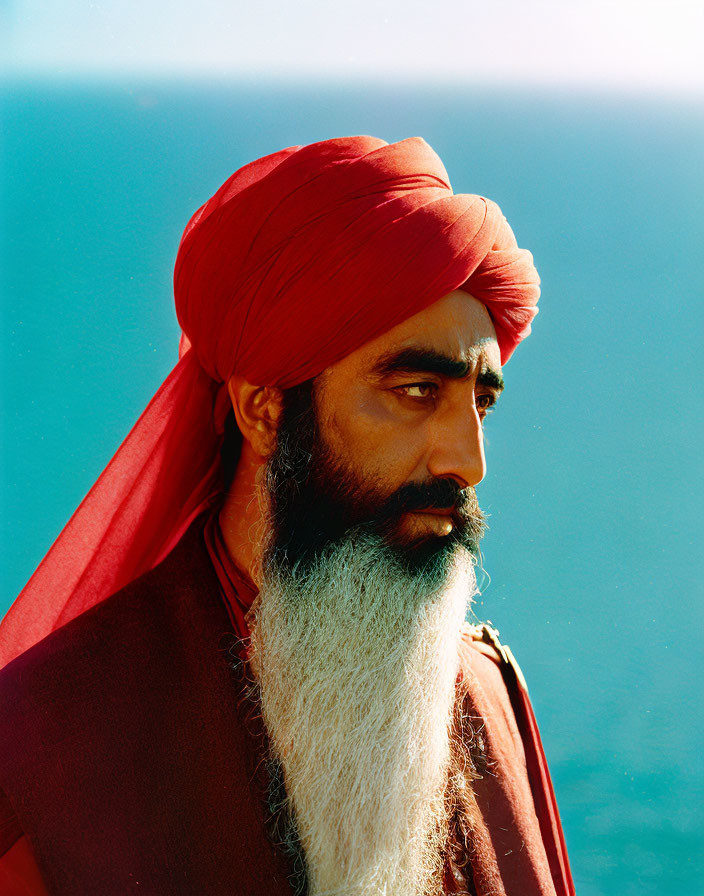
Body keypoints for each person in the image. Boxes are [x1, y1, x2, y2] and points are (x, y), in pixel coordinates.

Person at [0, 136, 574, 896]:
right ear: (265, 411)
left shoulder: (491, 692)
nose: (468, 463)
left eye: (481, 402)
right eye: (415, 392)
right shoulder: (46, 741)